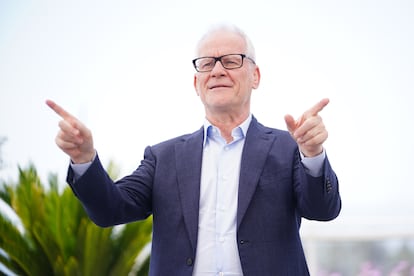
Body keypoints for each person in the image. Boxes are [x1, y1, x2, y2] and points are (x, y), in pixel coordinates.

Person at [46, 24, 341, 276]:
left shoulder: (290, 148)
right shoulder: (163, 157)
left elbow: (323, 210)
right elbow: (111, 210)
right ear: (196, 82)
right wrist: (84, 159)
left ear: (256, 76)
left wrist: (313, 155)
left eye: (231, 60)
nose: (217, 70)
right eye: (206, 63)